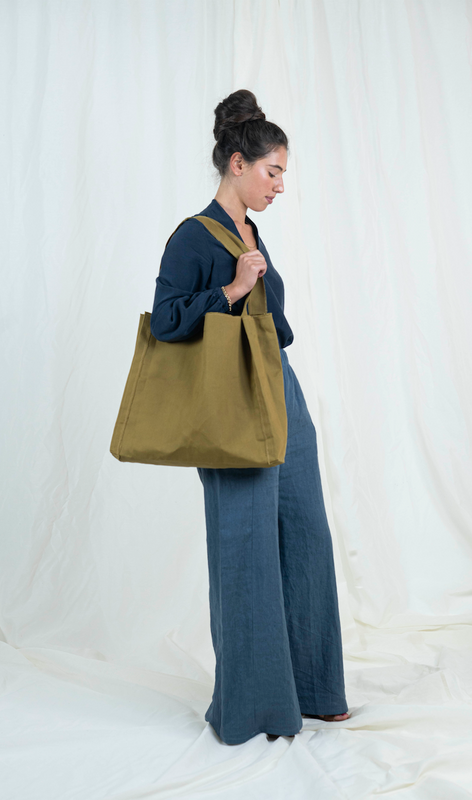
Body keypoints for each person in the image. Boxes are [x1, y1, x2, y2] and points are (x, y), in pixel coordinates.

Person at [150, 89, 350, 745]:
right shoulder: (191, 235)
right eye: (272, 171)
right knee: (246, 548)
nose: (280, 185)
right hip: (231, 402)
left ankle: (315, 690)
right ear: (236, 164)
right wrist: (231, 290)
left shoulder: (251, 229)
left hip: (277, 389)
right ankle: (255, 707)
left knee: (305, 535)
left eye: (283, 173)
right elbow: (169, 320)